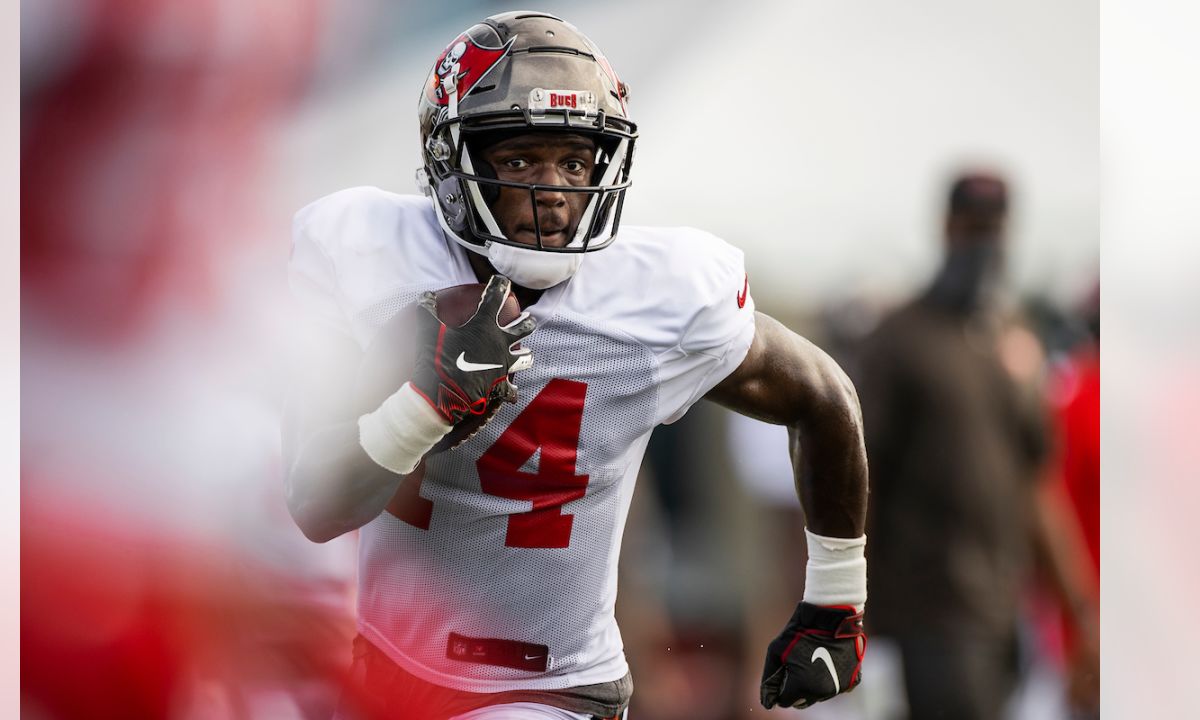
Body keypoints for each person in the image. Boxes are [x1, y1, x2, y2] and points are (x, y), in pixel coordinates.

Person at [284, 12, 869, 719]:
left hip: (548, 689)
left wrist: (836, 601)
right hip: (383, 666)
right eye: (521, 159)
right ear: (450, 161)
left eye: (575, 161)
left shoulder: (659, 294)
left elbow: (825, 396)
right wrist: (425, 404)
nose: (554, 190)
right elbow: (315, 505)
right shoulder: (372, 254)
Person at [856, 173, 1098, 720]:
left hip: (1004, 607)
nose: (983, 242)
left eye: (993, 227)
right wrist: (843, 598)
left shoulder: (1014, 339)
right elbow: (858, 480)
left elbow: (1038, 486)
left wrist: (1079, 610)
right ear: (946, 227)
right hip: (928, 608)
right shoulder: (901, 339)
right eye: (972, 226)